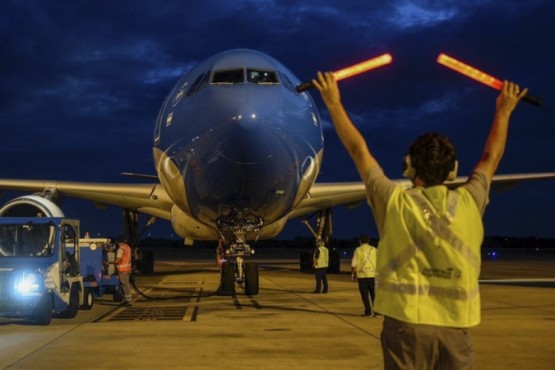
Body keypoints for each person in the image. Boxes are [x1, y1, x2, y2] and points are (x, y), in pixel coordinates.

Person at [313, 71, 527, 369]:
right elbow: (491, 157)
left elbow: (359, 150)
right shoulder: (469, 201)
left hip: (406, 329)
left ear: (408, 167)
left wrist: (333, 103)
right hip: (455, 329)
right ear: (453, 170)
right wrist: (504, 110)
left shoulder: (394, 202)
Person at [351, 234, 377, 316]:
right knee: (374, 294)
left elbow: (353, 264)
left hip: (362, 276)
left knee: (365, 295)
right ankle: (377, 312)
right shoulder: (374, 249)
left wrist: (353, 274)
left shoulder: (358, 250)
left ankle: (368, 312)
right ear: (368, 241)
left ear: (360, 241)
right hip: (373, 275)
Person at [109, 235, 134, 307]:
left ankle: (128, 301)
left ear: (117, 242)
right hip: (128, 269)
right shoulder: (127, 247)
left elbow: (118, 260)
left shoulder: (121, 249)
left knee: (125, 285)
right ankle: (125, 300)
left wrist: (109, 262)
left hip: (123, 270)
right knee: (125, 284)